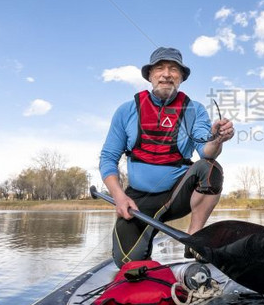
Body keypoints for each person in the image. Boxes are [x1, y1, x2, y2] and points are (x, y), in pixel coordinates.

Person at [99, 46, 234, 267]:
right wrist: (119, 196)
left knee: (211, 168)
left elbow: (206, 151)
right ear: (150, 76)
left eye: (173, 69)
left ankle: (194, 238)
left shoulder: (195, 110)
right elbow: (107, 158)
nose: (166, 74)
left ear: (181, 77)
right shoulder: (126, 110)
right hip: (137, 200)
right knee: (127, 262)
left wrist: (217, 138)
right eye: (160, 68)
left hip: (178, 195)